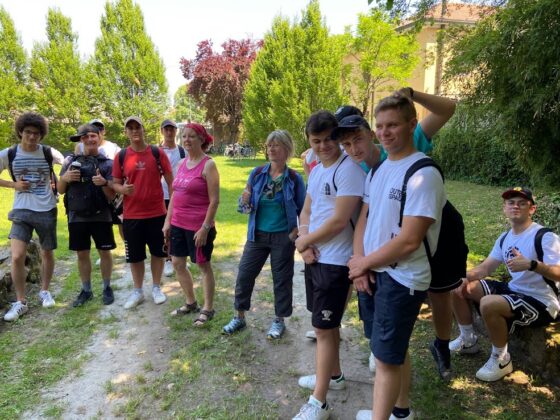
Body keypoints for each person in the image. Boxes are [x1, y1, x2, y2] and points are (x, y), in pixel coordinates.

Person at [332, 89, 458, 378]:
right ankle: (387, 356)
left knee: (439, 289)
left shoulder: (405, 142)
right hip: (385, 238)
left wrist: (412, 95)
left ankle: (442, 344)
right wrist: (360, 263)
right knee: (388, 330)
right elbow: (362, 218)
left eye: (356, 136)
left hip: (430, 222)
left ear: (368, 131)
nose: (351, 146)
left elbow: (448, 109)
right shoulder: (352, 162)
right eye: (344, 140)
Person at [349, 93, 445, 420]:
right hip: (374, 271)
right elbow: (364, 218)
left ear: (412, 124)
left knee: (385, 359)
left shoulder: (423, 173)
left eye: (392, 125)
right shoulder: (378, 169)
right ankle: (401, 412)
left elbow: (409, 240)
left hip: (403, 278)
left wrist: (364, 263)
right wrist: (360, 264)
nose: (384, 132)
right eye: (379, 126)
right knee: (391, 349)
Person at [292, 111, 365, 420]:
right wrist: (305, 240)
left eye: (328, 139)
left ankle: (318, 402)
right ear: (309, 141)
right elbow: (307, 210)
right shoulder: (318, 169)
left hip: (336, 262)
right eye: (316, 141)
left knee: (323, 329)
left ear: (337, 136)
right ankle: (333, 376)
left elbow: (339, 221)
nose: (323, 146)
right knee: (325, 326)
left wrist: (305, 242)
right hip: (316, 257)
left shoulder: (349, 170)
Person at [451, 188, 560, 382]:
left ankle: (501, 359)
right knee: (458, 286)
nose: (515, 206)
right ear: (504, 208)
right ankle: (468, 340)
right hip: (515, 291)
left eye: (522, 203)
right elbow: (485, 268)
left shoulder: (545, 237)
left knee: (488, 303)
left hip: (542, 301)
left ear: (532, 209)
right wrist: (461, 277)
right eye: (511, 203)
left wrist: (532, 265)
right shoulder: (505, 238)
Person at [222, 130, 306, 339]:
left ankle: (279, 320)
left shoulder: (294, 179)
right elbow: (244, 207)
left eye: (276, 145)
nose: (271, 149)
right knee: (244, 275)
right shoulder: (257, 173)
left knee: (281, 280)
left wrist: (295, 233)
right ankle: (239, 317)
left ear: (287, 149)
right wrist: (244, 200)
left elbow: (305, 210)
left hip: (282, 237)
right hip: (257, 235)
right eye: (269, 145)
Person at [0, 112, 64, 321]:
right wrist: (13, 184)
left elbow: (68, 163)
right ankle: (21, 302)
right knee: (17, 255)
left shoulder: (48, 152)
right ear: (20, 132)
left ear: (41, 135)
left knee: (47, 252)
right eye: (28, 132)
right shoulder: (9, 154)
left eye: (36, 133)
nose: (32, 136)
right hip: (21, 210)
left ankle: (44, 291)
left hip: (46, 209)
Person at [112, 116, 173, 309]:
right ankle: (138, 291)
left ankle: (156, 287)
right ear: (126, 132)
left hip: (157, 213)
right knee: (135, 256)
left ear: (143, 129)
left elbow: (172, 183)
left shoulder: (157, 153)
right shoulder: (121, 156)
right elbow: (114, 183)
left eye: (137, 127)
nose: (134, 131)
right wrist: (122, 189)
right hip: (132, 216)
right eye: (130, 128)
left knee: (158, 253)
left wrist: (173, 211)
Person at [163, 123, 219, 326]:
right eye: (184, 136)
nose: (187, 140)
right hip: (178, 224)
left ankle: (208, 308)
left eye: (192, 136)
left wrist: (205, 228)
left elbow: (214, 200)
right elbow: (174, 195)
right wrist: (167, 221)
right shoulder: (180, 164)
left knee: (203, 266)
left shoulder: (208, 165)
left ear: (201, 139)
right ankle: (190, 302)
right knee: (177, 263)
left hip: (198, 227)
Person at [59, 124, 116, 307]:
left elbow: (112, 196)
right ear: (81, 139)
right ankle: (86, 290)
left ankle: (107, 287)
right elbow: (60, 190)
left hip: (101, 215)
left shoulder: (108, 163)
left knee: (104, 252)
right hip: (77, 216)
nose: (90, 139)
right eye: (86, 137)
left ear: (99, 137)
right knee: (82, 253)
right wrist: (66, 178)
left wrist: (103, 183)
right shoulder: (70, 161)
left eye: (93, 136)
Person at [159, 119, 186, 277]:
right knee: (165, 228)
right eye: (166, 129)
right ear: (162, 131)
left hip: (179, 196)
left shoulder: (182, 151)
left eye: (172, 129)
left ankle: (180, 255)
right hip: (161, 196)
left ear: (176, 131)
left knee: (179, 227)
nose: (169, 132)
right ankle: (168, 258)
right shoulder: (156, 151)